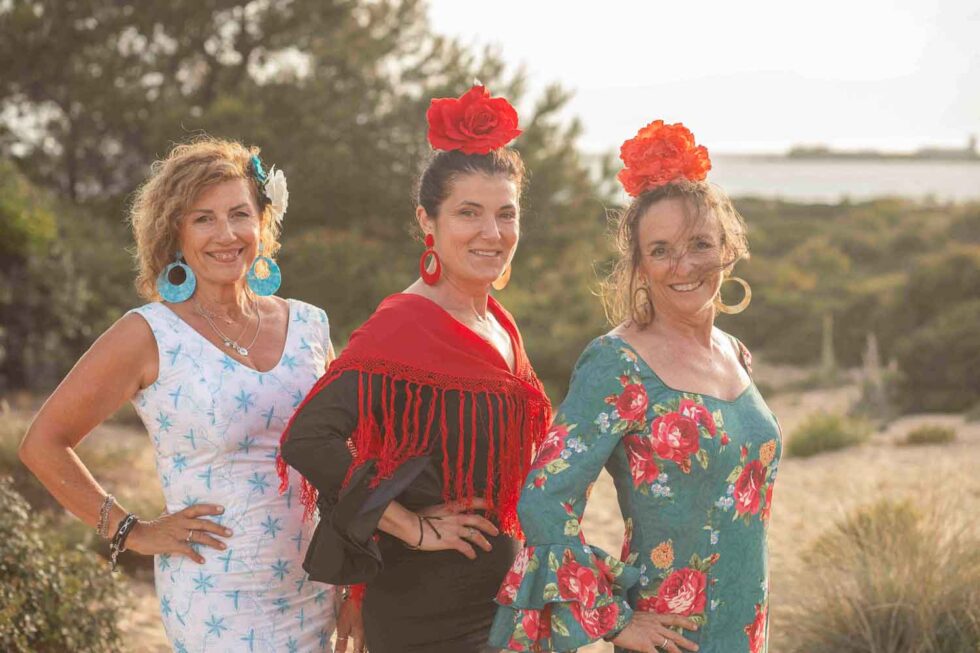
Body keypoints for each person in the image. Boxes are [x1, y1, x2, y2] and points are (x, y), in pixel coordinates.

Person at [19, 137, 355, 652]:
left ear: (263, 224)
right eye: (203, 219)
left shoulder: (310, 325)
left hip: (315, 587)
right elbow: (43, 443)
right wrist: (130, 530)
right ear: (174, 233)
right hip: (215, 595)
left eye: (239, 214)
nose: (226, 235)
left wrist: (356, 582)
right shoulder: (149, 334)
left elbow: (342, 461)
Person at [278, 85, 552, 653]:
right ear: (428, 221)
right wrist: (413, 527)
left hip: (503, 602)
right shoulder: (402, 323)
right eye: (468, 213)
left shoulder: (499, 323)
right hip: (426, 613)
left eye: (506, 214)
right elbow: (308, 438)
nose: (492, 233)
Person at [490, 120, 781, 653]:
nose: (684, 265)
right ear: (640, 266)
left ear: (729, 249)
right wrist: (614, 620)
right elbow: (544, 499)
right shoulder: (616, 364)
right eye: (662, 249)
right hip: (670, 638)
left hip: (746, 625)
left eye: (700, 244)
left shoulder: (734, 353)